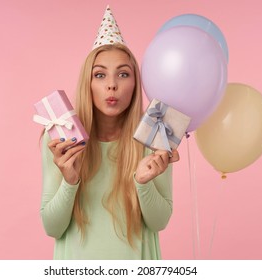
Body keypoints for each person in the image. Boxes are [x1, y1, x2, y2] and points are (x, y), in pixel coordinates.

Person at [39, 6, 179, 260]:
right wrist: (70, 181)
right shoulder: (61, 140)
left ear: (136, 83)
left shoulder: (157, 135)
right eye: (100, 75)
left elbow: (159, 223)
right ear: (88, 83)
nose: (112, 84)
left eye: (123, 74)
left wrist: (142, 182)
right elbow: (52, 227)